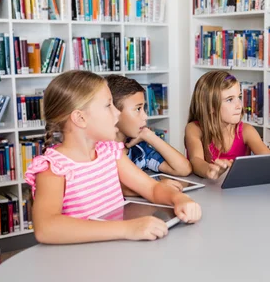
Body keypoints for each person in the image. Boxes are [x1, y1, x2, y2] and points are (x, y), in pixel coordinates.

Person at [25, 71, 201, 244]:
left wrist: (180, 199)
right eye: (108, 105)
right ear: (80, 118)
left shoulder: (110, 152)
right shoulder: (53, 168)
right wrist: (127, 229)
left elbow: (152, 189)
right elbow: (46, 228)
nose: (117, 113)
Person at [185, 70, 270, 183]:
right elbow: (196, 160)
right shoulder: (194, 129)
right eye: (229, 100)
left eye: (239, 97)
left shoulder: (246, 131)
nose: (239, 105)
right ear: (210, 107)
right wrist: (209, 170)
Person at [105, 75, 191, 177]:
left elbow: (184, 169)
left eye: (144, 108)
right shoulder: (99, 153)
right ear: (113, 111)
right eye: (138, 109)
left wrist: (149, 135)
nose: (145, 116)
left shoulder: (139, 150)